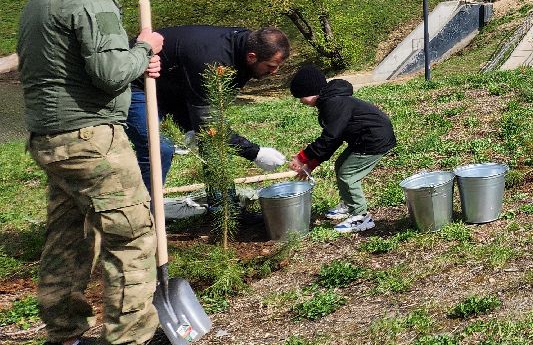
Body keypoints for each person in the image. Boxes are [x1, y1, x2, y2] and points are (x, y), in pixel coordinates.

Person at [17, 0, 187, 345]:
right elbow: (111, 73)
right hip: (92, 140)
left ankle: (63, 342)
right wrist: (143, 49)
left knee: (68, 238)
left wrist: (135, 58)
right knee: (131, 236)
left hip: (50, 139)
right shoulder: (93, 2)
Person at [125, 25, 291, 192]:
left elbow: (209, 116)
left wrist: (192, 126)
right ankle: (144, 214)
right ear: (252, 57)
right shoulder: (211, 61)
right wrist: (255, 153)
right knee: (160, 149)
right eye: (270, 66)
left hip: (173, 85)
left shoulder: (245, 47)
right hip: (136, 82)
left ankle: (224, 208)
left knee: (212, 142)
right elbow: (209, 122)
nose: (275, 72)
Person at [288, 63, 397, 234]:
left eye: (300, 96)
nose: (300, 101)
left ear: (310, 91)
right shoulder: (330, 102)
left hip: (374, 139)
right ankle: (349, 203)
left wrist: (302, 157)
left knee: (348, 174)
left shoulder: (334, 103)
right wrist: (311, 164)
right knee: (341, 166)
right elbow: (334, 139)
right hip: (363, 139)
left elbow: (330, 137)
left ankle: (361, 217)